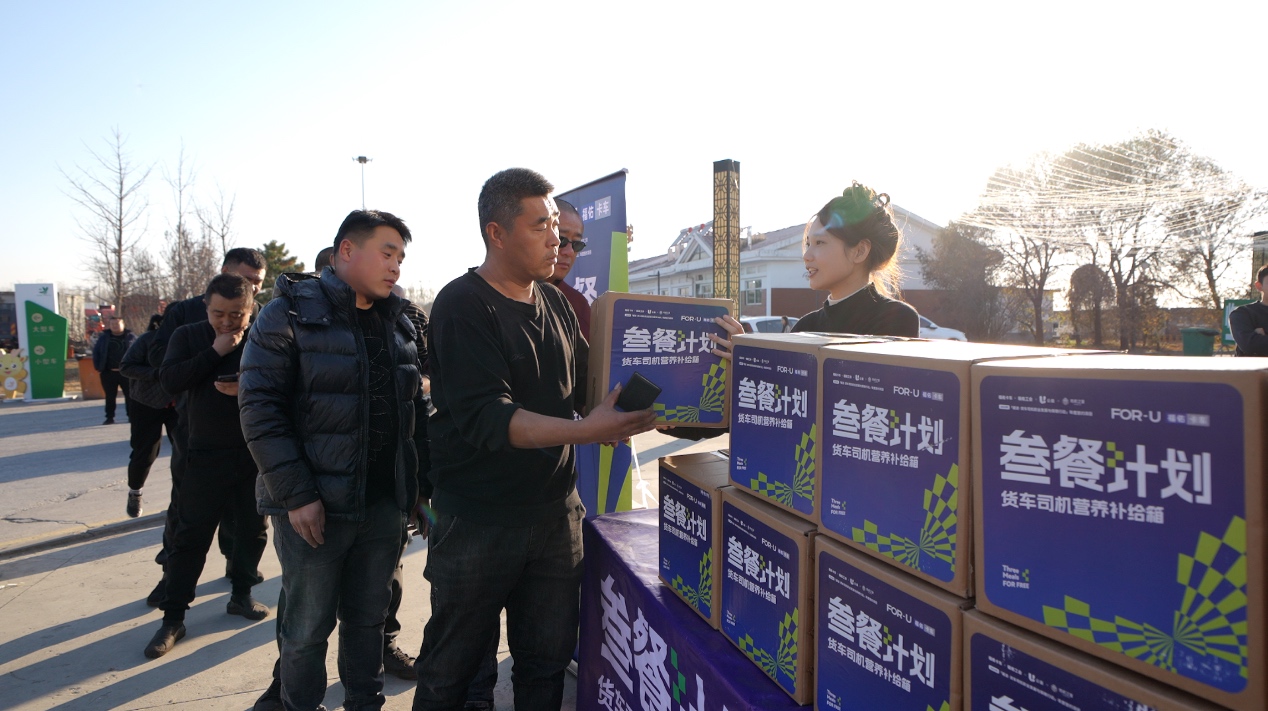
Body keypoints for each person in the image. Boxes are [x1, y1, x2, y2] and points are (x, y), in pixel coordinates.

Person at [412, 168, 656, 711]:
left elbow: (593, 385)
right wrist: (587, 430)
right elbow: (490, 417)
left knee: (545, 666)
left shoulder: (557, 303)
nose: (556, 240)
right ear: (497, 233)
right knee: (453, 672)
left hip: (555, 516)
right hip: (477, 521)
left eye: (560, 230)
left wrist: (696, 366)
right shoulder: (462, 304)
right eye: (542, 226)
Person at [241, 209, 428, 711]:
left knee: (369, 622)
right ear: (347, 250)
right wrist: (297, 495)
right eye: (387, 253)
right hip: (315, 510)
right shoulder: (288, 314)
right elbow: (260, 410)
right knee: (306, 629)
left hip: (384, 507)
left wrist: (416, 491)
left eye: (401, 257)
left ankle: (365, 704)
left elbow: (413, 413)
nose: (396, 266)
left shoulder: (399, 322)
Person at [143, 273, 271, 658]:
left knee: (251, 531)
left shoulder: (264, 335)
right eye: (219, 314)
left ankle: (241, 594)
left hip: (253, 454)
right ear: (206, 306)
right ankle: (173, 618)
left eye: (236, 315)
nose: (227, 322)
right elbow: (169, 380)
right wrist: (214, 351)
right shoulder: (189, 335)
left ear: (251, 310)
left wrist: (245, 386)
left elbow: (289, 383)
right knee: (190, 537)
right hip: (203, 453)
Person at [791, 182, 920, 337]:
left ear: (860, 251)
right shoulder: (805, 327)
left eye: (820, 242)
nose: (806, 256)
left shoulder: (896, 318)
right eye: (808, 244)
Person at [119, 329, 177, 518]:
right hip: (146, 402)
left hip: (178, 403)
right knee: (145, 452)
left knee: (186, 452)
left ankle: (182, 499)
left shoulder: (193, 336)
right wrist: (157, 374)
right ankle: (135, 492)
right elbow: (126, 366)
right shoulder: (149, 339)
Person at [550, 198, 592, 338]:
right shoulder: (499, 293)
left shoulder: (576, 305)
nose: (569, 252)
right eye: (561, 240)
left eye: (576, 244)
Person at [92, 315, 135, 425]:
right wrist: (98, 367)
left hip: (127, 373)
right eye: (112, 324)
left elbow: (139, 352)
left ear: (123, 324)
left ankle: (131, 416)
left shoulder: (131, 337)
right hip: (108, 372)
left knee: (130, 396)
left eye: (117, 324)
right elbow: (96, 353)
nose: (115, 326)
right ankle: (109, 417)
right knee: (110, 396)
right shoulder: (103, 338)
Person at [1231, 264, 1268, 357]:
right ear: (1259, 286)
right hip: (1255, 366)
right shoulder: (1242, 313)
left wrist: (1262, 337)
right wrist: (1257, 341)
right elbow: (1249, 345)